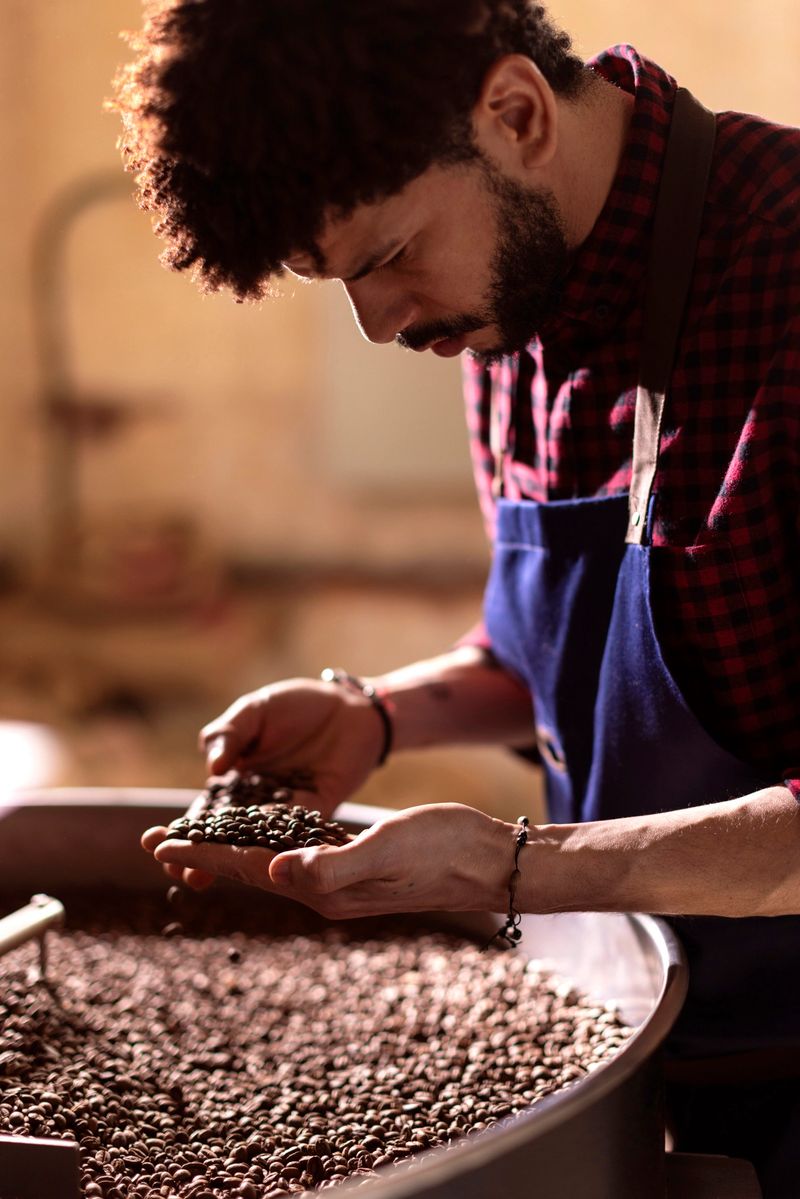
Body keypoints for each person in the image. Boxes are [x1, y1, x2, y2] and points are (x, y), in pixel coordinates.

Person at [118, 2, 800, 1192]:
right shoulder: (506, 316)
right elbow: (560, 655)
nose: (380, 325)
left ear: (515, 115)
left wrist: (513, 864)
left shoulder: (784, 274)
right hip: (644, 1051)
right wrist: (378, 715)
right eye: (335, 284)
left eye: (382, 259)